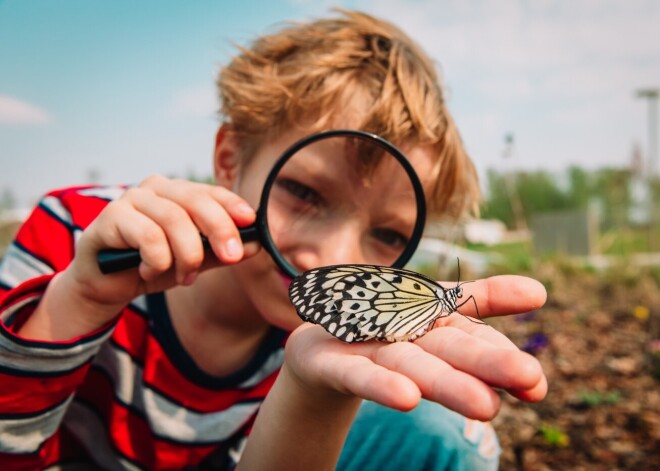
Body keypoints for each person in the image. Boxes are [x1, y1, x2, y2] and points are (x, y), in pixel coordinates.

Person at [0, 9, 547, 470]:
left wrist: (311, 398)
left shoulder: (344, 332)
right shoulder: (81, 235)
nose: (331, 257)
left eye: (386, 233)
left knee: (442, 434)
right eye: (304, 194)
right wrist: (78, 299)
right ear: (229, 159)